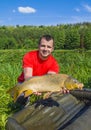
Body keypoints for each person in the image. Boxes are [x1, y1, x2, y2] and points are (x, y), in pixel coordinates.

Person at [16, 34, 60, 107]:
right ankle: (22, 105)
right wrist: (34, 87)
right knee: (20, 97)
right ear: (38, 46)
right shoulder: (29, 56)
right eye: (43, 46)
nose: (45, 49)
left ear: (52, 49)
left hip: (42, 84)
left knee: (54, 94)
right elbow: (27, 76)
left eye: (49, 47)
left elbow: (50, 79)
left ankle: (40, 106)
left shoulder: (54, 63)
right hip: (25, 82)